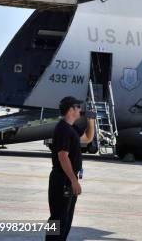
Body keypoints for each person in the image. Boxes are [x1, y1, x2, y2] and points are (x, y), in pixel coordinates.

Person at [46, 96, 95, 241]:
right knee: (58, 219)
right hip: (63, 180)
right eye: (78, 106)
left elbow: (87, 139)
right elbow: (63, 156)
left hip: (67, 179)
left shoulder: (70, 128)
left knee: (66, 219)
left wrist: (90, 121)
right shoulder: (63, 129)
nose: (80, 109)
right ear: (71, 109)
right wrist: (74, 181)